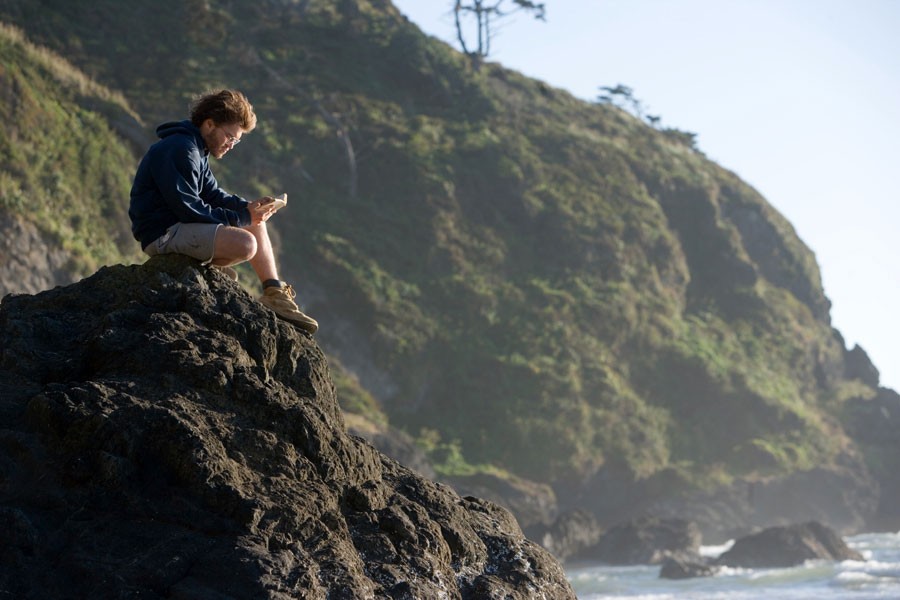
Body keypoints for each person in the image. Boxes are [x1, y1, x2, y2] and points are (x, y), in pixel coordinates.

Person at [129, 88, 318, 334]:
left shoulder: (197, 149)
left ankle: (275, 294)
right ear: (209, 125)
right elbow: (189, 209)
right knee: (246, 244)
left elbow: (213, 194)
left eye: (236, 141)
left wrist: (248, 209)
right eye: (230, 137)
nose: (231, 145)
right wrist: (242, 216)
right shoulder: (180, 149)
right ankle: (203, 267)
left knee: (255, 222)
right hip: (163, 234)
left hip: (181, 229)